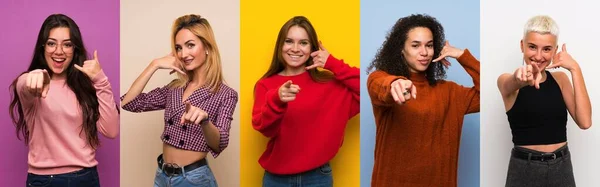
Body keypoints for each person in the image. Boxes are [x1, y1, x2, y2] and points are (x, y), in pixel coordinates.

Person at [121, 14, 238, 187]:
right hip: (162, 176)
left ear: (207, 47)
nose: (183, 54)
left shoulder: (225, 94)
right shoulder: (175, 87)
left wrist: (205, 121)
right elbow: (129, 103)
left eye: (190, 45)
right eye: (179, 47)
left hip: (193, 179)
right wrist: (153, 65)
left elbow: (219, 144)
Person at [366, 14, 480, 187]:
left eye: (429, 45)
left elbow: (490, 92)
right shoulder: (382, 79)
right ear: (401, 50)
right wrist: (395, 84)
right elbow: (379, 86)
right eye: (415, 45)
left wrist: (463, 56)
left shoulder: (450, 92)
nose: (424, 52)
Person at [8, 14, 119, 187]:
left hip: (86, 178)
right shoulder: (34, 85)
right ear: (43, 47)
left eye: (67, 44)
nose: (59, 51)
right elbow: (23, 86)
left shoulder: (85, 86)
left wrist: (100, 80)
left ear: (75, 49)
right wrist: (32, 76)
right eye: (52, 43)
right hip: (45, 181)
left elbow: (111, 131)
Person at [251, 16, 360, 186]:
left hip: (318, 177)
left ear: (312, 49)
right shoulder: (265, 85)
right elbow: (265, 129)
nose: (295, 49)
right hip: (276, 179)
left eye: (303, 43)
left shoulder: (329, 84)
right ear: (280, 45)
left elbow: (368, 88)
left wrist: (332, 63)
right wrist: (277, 99)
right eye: (289, 41)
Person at [497, 15, 591, 187]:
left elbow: (585, 122)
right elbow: (510, 83)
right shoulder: (507, 81)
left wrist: (575, 68)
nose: (538, 56)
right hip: (524, 169)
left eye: (547, 49)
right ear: (522, 46)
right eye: (532, 47)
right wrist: (520, 79)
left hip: (561, 167)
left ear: (555, 51)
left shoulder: (561, 79)